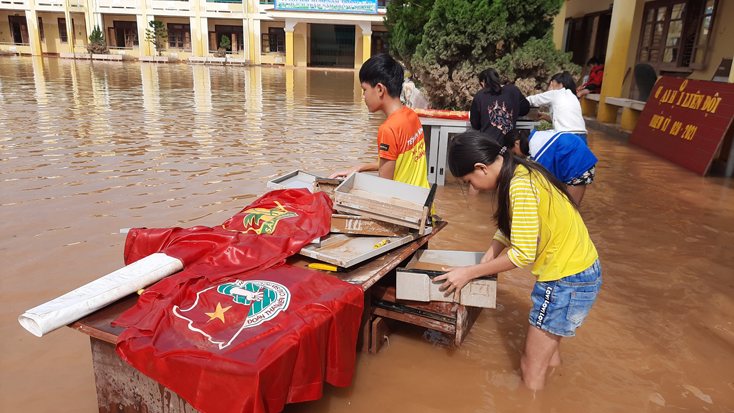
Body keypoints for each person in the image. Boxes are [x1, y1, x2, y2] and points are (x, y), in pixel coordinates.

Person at [435, 131, 601, 390]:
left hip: (565, 279)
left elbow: (522, 254)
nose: (474, 188)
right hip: (582, 270)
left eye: (470, 180)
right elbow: (510, 228)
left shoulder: (519, 186)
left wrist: (469, 272)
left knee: (529, 367)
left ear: (481, 167)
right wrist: (488, 257)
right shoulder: (521, 170)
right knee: (549, 356)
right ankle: (557, 395)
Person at [330, 54, 430, 190]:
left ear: (380, 89)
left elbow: (383, 189)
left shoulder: (388, 129)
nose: (364, 96)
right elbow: (395, 161)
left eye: (364, 90)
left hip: (402, 207)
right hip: (422, 202)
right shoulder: (411, 115)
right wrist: (359, 168)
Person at [503, 129, 597, 205]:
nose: (519, 157)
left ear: (517, 143)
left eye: (515, 153)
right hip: (576, 159)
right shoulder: (537, 137)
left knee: (571, 208)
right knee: (561, 201)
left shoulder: (538, 148)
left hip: (579, 166)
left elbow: (542, 178)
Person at [469, 68, 530, 144]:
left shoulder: (480, 95)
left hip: (487, 146)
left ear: (483, 83)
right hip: (509, 146)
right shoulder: (513, 90)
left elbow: (475, 125)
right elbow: (525, 110)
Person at [526, 72, 588, 145]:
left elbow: (530, 100)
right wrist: (544, 116)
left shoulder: (555, 93)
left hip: (566, 137)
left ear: (552, 83)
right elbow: (566, 121)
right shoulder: (572, 96)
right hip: (582, 137)